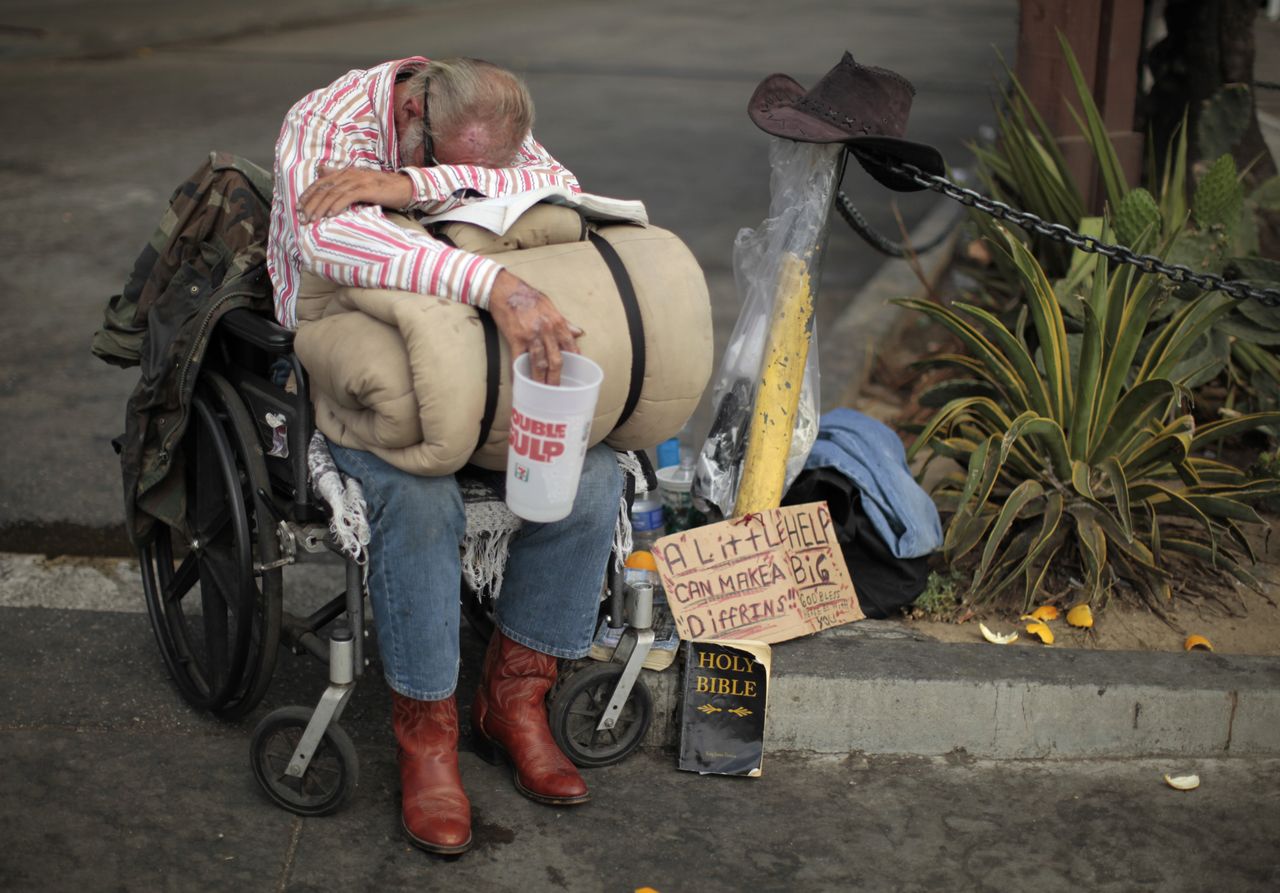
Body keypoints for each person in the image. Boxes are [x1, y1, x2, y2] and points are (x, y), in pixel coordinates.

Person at [267, 56, 622, 856]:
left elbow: (563, 193)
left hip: (466, 358)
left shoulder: (477, 121)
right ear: (410, 111)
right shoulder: (324, 122)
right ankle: (426, 735)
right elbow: (329, 237)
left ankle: (515, 700)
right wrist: (492, 281)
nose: (469, 173)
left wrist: (416, 188)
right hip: (359, 367)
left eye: (482, 166)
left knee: (591, 475)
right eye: (438, 159)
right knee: (421, 497)